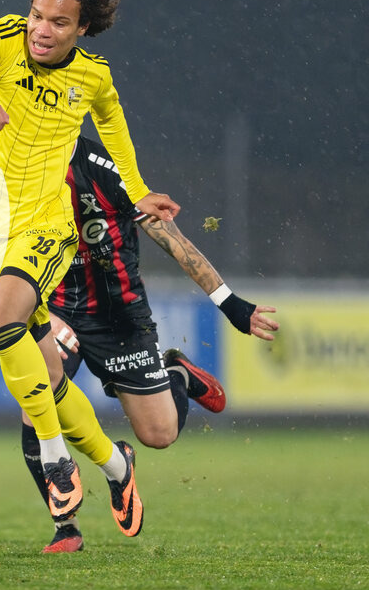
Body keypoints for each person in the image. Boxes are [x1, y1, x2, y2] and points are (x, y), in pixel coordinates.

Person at [0, 0, 179, 547]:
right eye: (38, 15)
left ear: (82, 28)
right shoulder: (3, 40)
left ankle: (54, 457)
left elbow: (111, 120)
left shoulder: (91, 77)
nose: (41, 29)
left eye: (58, 22)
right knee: (43, 372)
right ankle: (117, 468)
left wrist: (136, 190)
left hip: (44, 224)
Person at [20, 134, 279, 552]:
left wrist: (232, 306)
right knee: (35, 400)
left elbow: (173, 240)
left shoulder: (107, 168)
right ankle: (66, 527)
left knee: (159, 434)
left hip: (120, 316)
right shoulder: (18, 164)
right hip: (57, 309)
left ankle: (177, 374)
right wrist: (38, 310)